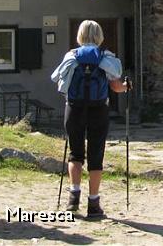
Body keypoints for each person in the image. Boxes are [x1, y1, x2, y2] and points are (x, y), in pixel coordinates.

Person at [51, 19, 130, 219]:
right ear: (100, 36)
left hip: (75, 108)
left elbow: (60, 82)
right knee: (96, 155)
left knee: (75, 153)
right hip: (98, 110)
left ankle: (73, 199)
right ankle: (94, 203)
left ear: (80, 35)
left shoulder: (71, 56)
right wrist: (127, 86)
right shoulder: (106, 58)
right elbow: (116, 87)